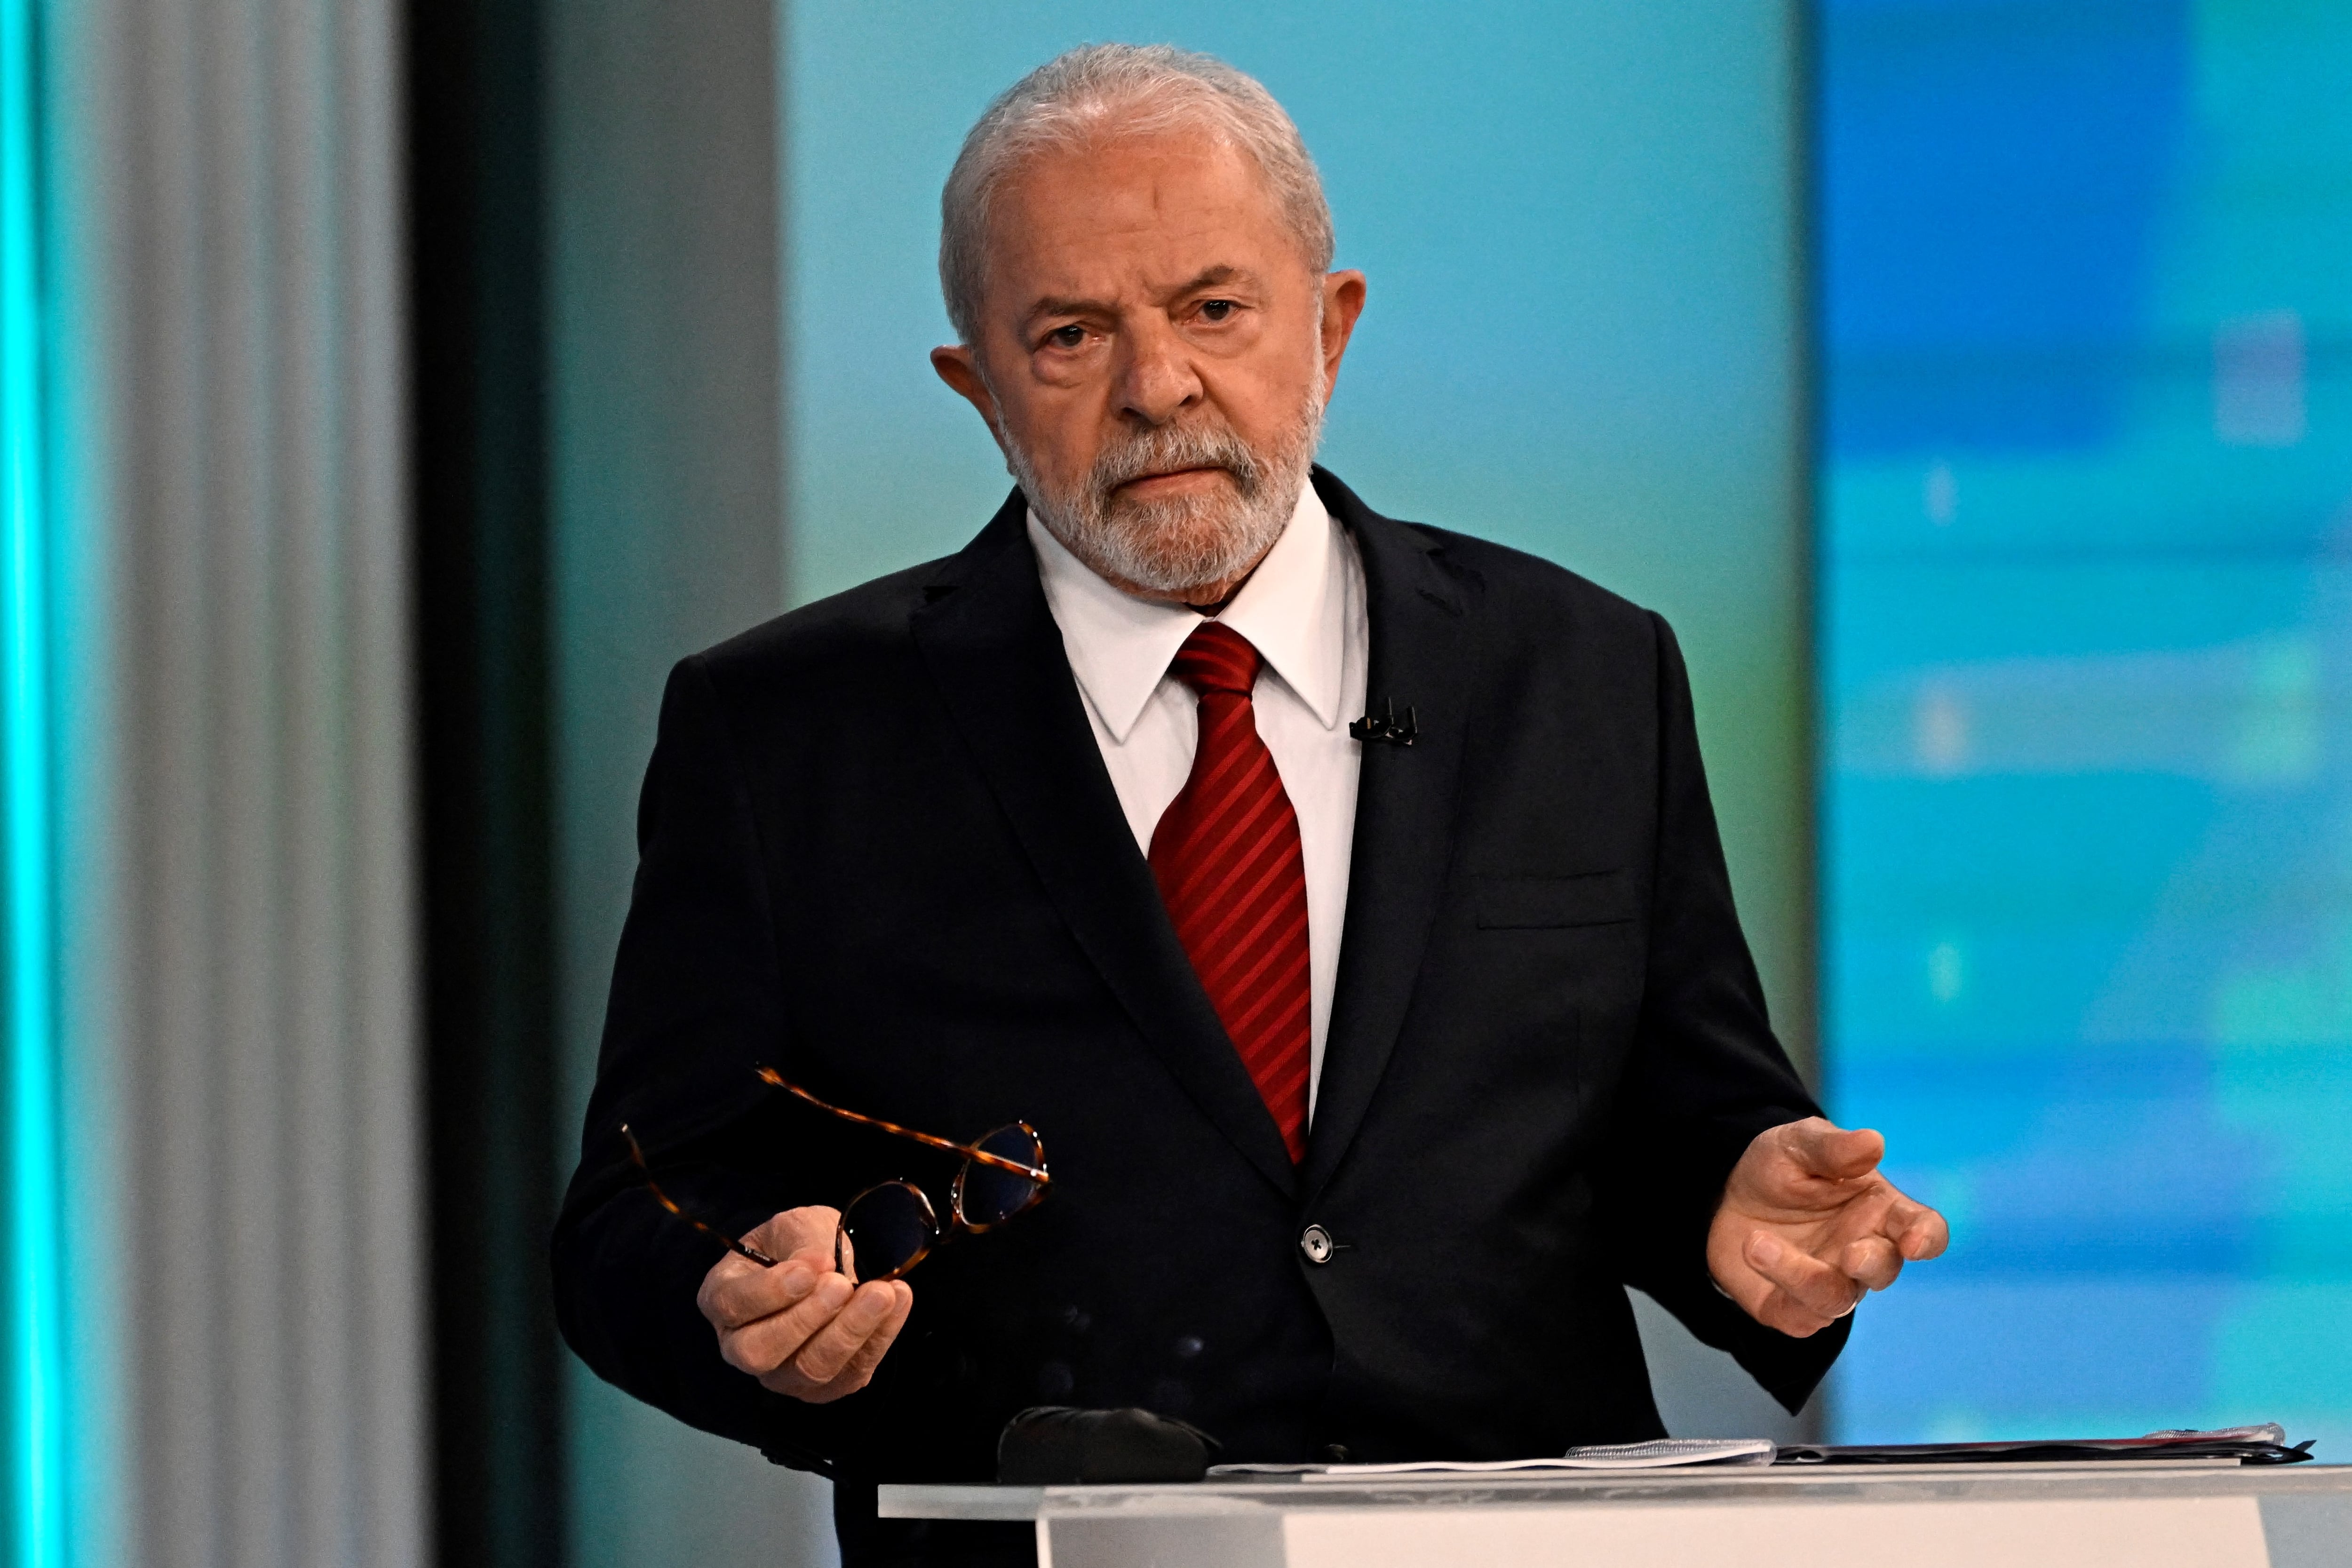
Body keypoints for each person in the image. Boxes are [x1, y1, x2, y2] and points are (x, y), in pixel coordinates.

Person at [552, 42, 1947, 1568]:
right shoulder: (790, 729)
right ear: (979, 386)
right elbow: (644, 1201)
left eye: (1216, 309)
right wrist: (735, 1306)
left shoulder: (1585, 668)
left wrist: (1730, 1210)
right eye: (1071, 334)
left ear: (1329, 328)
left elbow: (1673, 1115)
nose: (1160, 388)